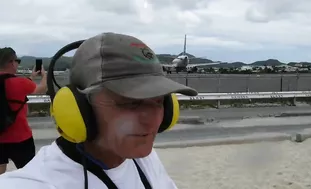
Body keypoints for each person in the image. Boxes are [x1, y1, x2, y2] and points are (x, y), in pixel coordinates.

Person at [0, 32, 198, 189]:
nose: (152, 120)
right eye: (130, 102)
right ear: (78, 108)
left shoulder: (144, 160)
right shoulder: (33, 183)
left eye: (158, 101)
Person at [0, 47, 48, 174]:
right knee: (29, 172)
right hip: (20, 137)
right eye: (18, 61)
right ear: (11, 62)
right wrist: (44, 76)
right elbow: (42, 88)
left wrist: (31, 77)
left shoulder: (21, 82)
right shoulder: (20, 83)